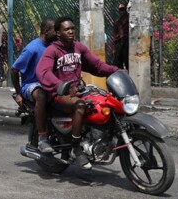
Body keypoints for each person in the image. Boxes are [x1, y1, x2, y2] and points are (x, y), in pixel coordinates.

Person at [36, 16, 119, 170]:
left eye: (73, 28)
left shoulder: (78, 48)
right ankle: (76, 148)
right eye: (67, 29)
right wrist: (62, 86)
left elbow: (97, 65)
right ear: (58, 32)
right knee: (80, 106)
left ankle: (98, 139)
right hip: (59, 94)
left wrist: (116, 71)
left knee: (102, 103)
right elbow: (44, 72)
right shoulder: (52, 50)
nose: (71, 31)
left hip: (78, 91)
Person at [11, 18, 57, 153]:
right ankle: (42, 138)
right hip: (31, 85)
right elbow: (14, 70)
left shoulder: (54, 46)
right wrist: (19, 93)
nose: (58, 33)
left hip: (49, 82)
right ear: (46, 31)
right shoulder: (32, 48)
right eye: (56, 30)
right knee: (41, 95)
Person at [112, 3, 129, 70]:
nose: (121, 12)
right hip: (119, 42)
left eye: (123, 10)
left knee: (127, 60)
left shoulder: (128, 20)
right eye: (120, 10)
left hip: (126, 42)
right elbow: (115, 34)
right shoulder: (118, 22)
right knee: (118, 61)